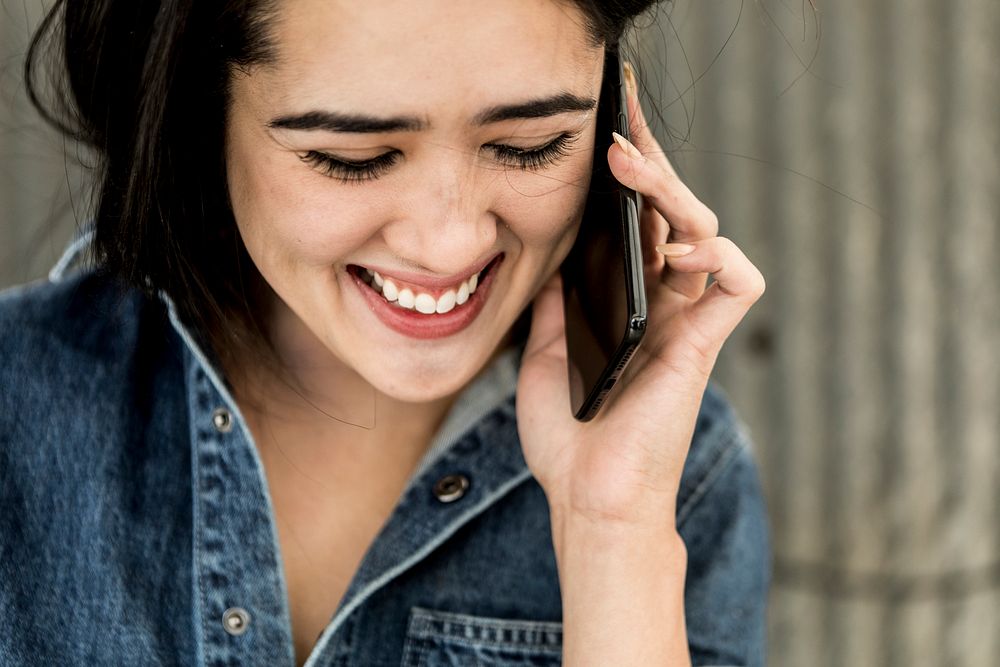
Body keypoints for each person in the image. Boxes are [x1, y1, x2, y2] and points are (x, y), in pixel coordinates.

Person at [0, 1, 769, 665]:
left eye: (531, 144)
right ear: (202, 108)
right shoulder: (17, 407)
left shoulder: (677, 479)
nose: (449, 242)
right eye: (353, 158)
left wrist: (612, 535)